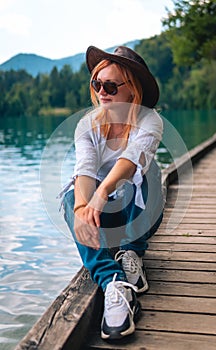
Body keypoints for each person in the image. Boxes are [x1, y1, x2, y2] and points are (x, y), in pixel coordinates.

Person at [62, 45, 164, 340]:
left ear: (132, 91)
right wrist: (82, 208)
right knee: (70, 199)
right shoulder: (87, 125)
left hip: (140, 214)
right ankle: (114, 283)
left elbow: (129, 162)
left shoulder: (150, 121)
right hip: (103, 215)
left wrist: (101, 193)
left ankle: (133, 252)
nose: (102, 92)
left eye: (110, 85)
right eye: (97, 83)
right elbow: (84, 170)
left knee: (147, 173)